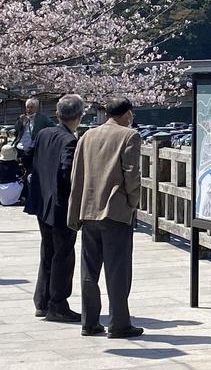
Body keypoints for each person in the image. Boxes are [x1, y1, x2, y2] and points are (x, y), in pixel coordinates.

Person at [68, 98, 143, 338]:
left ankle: (89, 322)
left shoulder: (87, 136)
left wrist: (76, 208)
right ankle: (119, 323)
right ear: (128, 113)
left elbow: (77, 174)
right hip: (115, 211)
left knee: (89, 270)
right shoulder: (129, 136)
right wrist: (133, 203)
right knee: (117, 270)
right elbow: (132, 174)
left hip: (89, 210)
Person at [24, 95, 85, 322]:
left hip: (42, 201)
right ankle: (57, 304)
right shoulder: (70, 141)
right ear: (79, 117)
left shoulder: (44, 133)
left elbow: (27, 157)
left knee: (48, 251)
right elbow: (67, 172)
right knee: (63, 254)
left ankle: (42, 301)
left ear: (58, 114)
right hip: (60, 205)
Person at [15, 97, 41, 170]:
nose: (29, 110)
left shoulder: (41, 118)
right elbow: (16, 128)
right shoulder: (22, 117)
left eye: (31, 107)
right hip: (20, 147)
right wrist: (20, 121)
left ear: (36, 108)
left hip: (32, 148)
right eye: (27, 107)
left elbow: (51, 126)